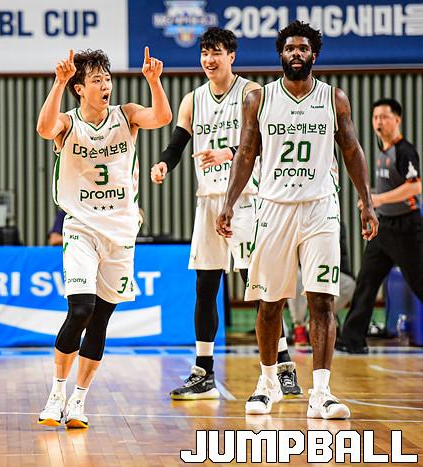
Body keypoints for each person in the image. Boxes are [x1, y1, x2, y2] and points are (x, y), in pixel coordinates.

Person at [216, 21, 378, 419]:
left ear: (313, 55)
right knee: (270, 302)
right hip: (274, 207)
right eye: (290, 48)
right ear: (281, 54)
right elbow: (246, 152)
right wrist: (229, 202)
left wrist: (366, 201)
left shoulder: (334, 98)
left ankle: (321, 392)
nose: (296, 54)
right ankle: (268, 383)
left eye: (303, 48)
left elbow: (352, 150)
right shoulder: (259, 98)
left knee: (322, 300)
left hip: (320, 207)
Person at [150, 27, 301, 400]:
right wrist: (164, 164)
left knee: (259, 285)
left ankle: (283, 366)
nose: (209, 59)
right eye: (204, 52)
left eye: (216, 52)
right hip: (208, 200)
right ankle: (203, 371)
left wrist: (229, 153)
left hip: (246, 198)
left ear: (231, 56)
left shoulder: (253, 93)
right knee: (205, 287)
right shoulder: (192, 99)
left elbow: (267, 140)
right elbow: (178, 142)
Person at [35, 48, 172, 428]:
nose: (105, 85)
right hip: (81, 226)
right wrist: (58, 82)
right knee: (80, 309)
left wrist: (154, 82)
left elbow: (162, 117)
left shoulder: (126, 115)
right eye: (96, 80)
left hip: (121, 230)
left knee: (100, 320)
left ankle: (79, 401)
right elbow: (44, 128)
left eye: (107, 79)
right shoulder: (68, 122)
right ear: (80, 88)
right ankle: (56, 393)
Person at [337, 98, 423, 354]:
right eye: (375, 117)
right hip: (384, 228)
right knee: (366, 282)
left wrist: (378, 199)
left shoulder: (404, 151)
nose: (379, 122)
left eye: (384, 117)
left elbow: (415, 187)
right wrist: (371, 200)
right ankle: (352, 339)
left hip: (406, 228)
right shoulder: (382, 150)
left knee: (419, 282)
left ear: (397, 120)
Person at [288, 222, 356, 347]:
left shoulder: (336, 222)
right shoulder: (297, 220)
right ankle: (299, 327)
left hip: (323, 268)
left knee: (349, 284)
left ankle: (315, 321)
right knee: (296, 276)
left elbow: (341, 257)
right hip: (303, 269)